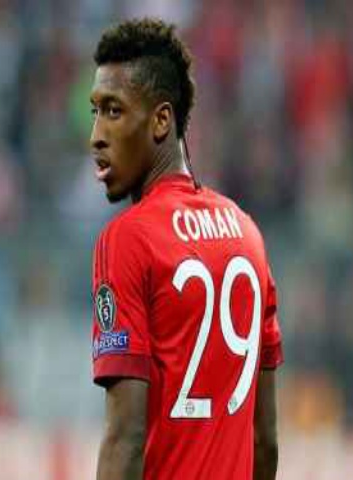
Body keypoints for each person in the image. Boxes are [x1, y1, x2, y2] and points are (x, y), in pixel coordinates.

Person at [88, 18, 284, 480]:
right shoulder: (247, 235)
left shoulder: (128, 240)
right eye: (95, 110)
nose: (96, 134)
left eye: (114, 111)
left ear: (161, 120)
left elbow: (125, 439)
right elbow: (265, 442)